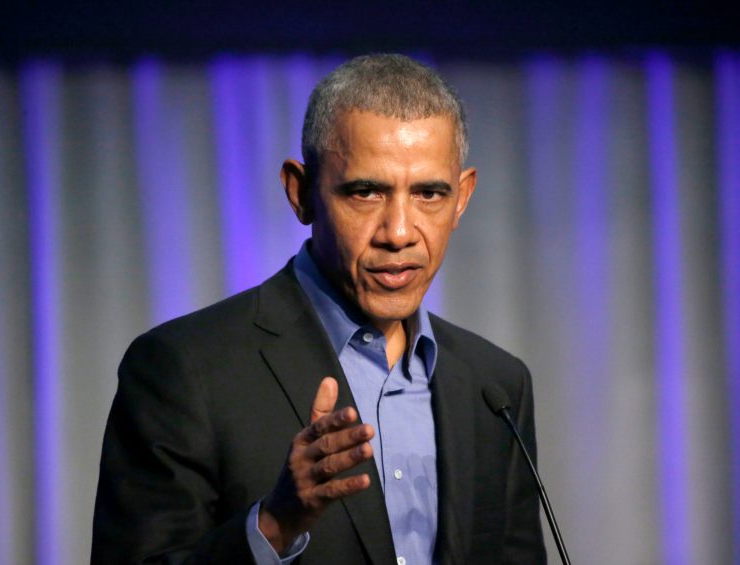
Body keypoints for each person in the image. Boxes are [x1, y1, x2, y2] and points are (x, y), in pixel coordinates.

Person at [91, 53, 546, 564]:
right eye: (366, 192)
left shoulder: (495, 386)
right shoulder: (183, 369)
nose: (399, 233)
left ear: (461, 197)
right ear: (301, 192)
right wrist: (274, 525)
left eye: (428, 193)